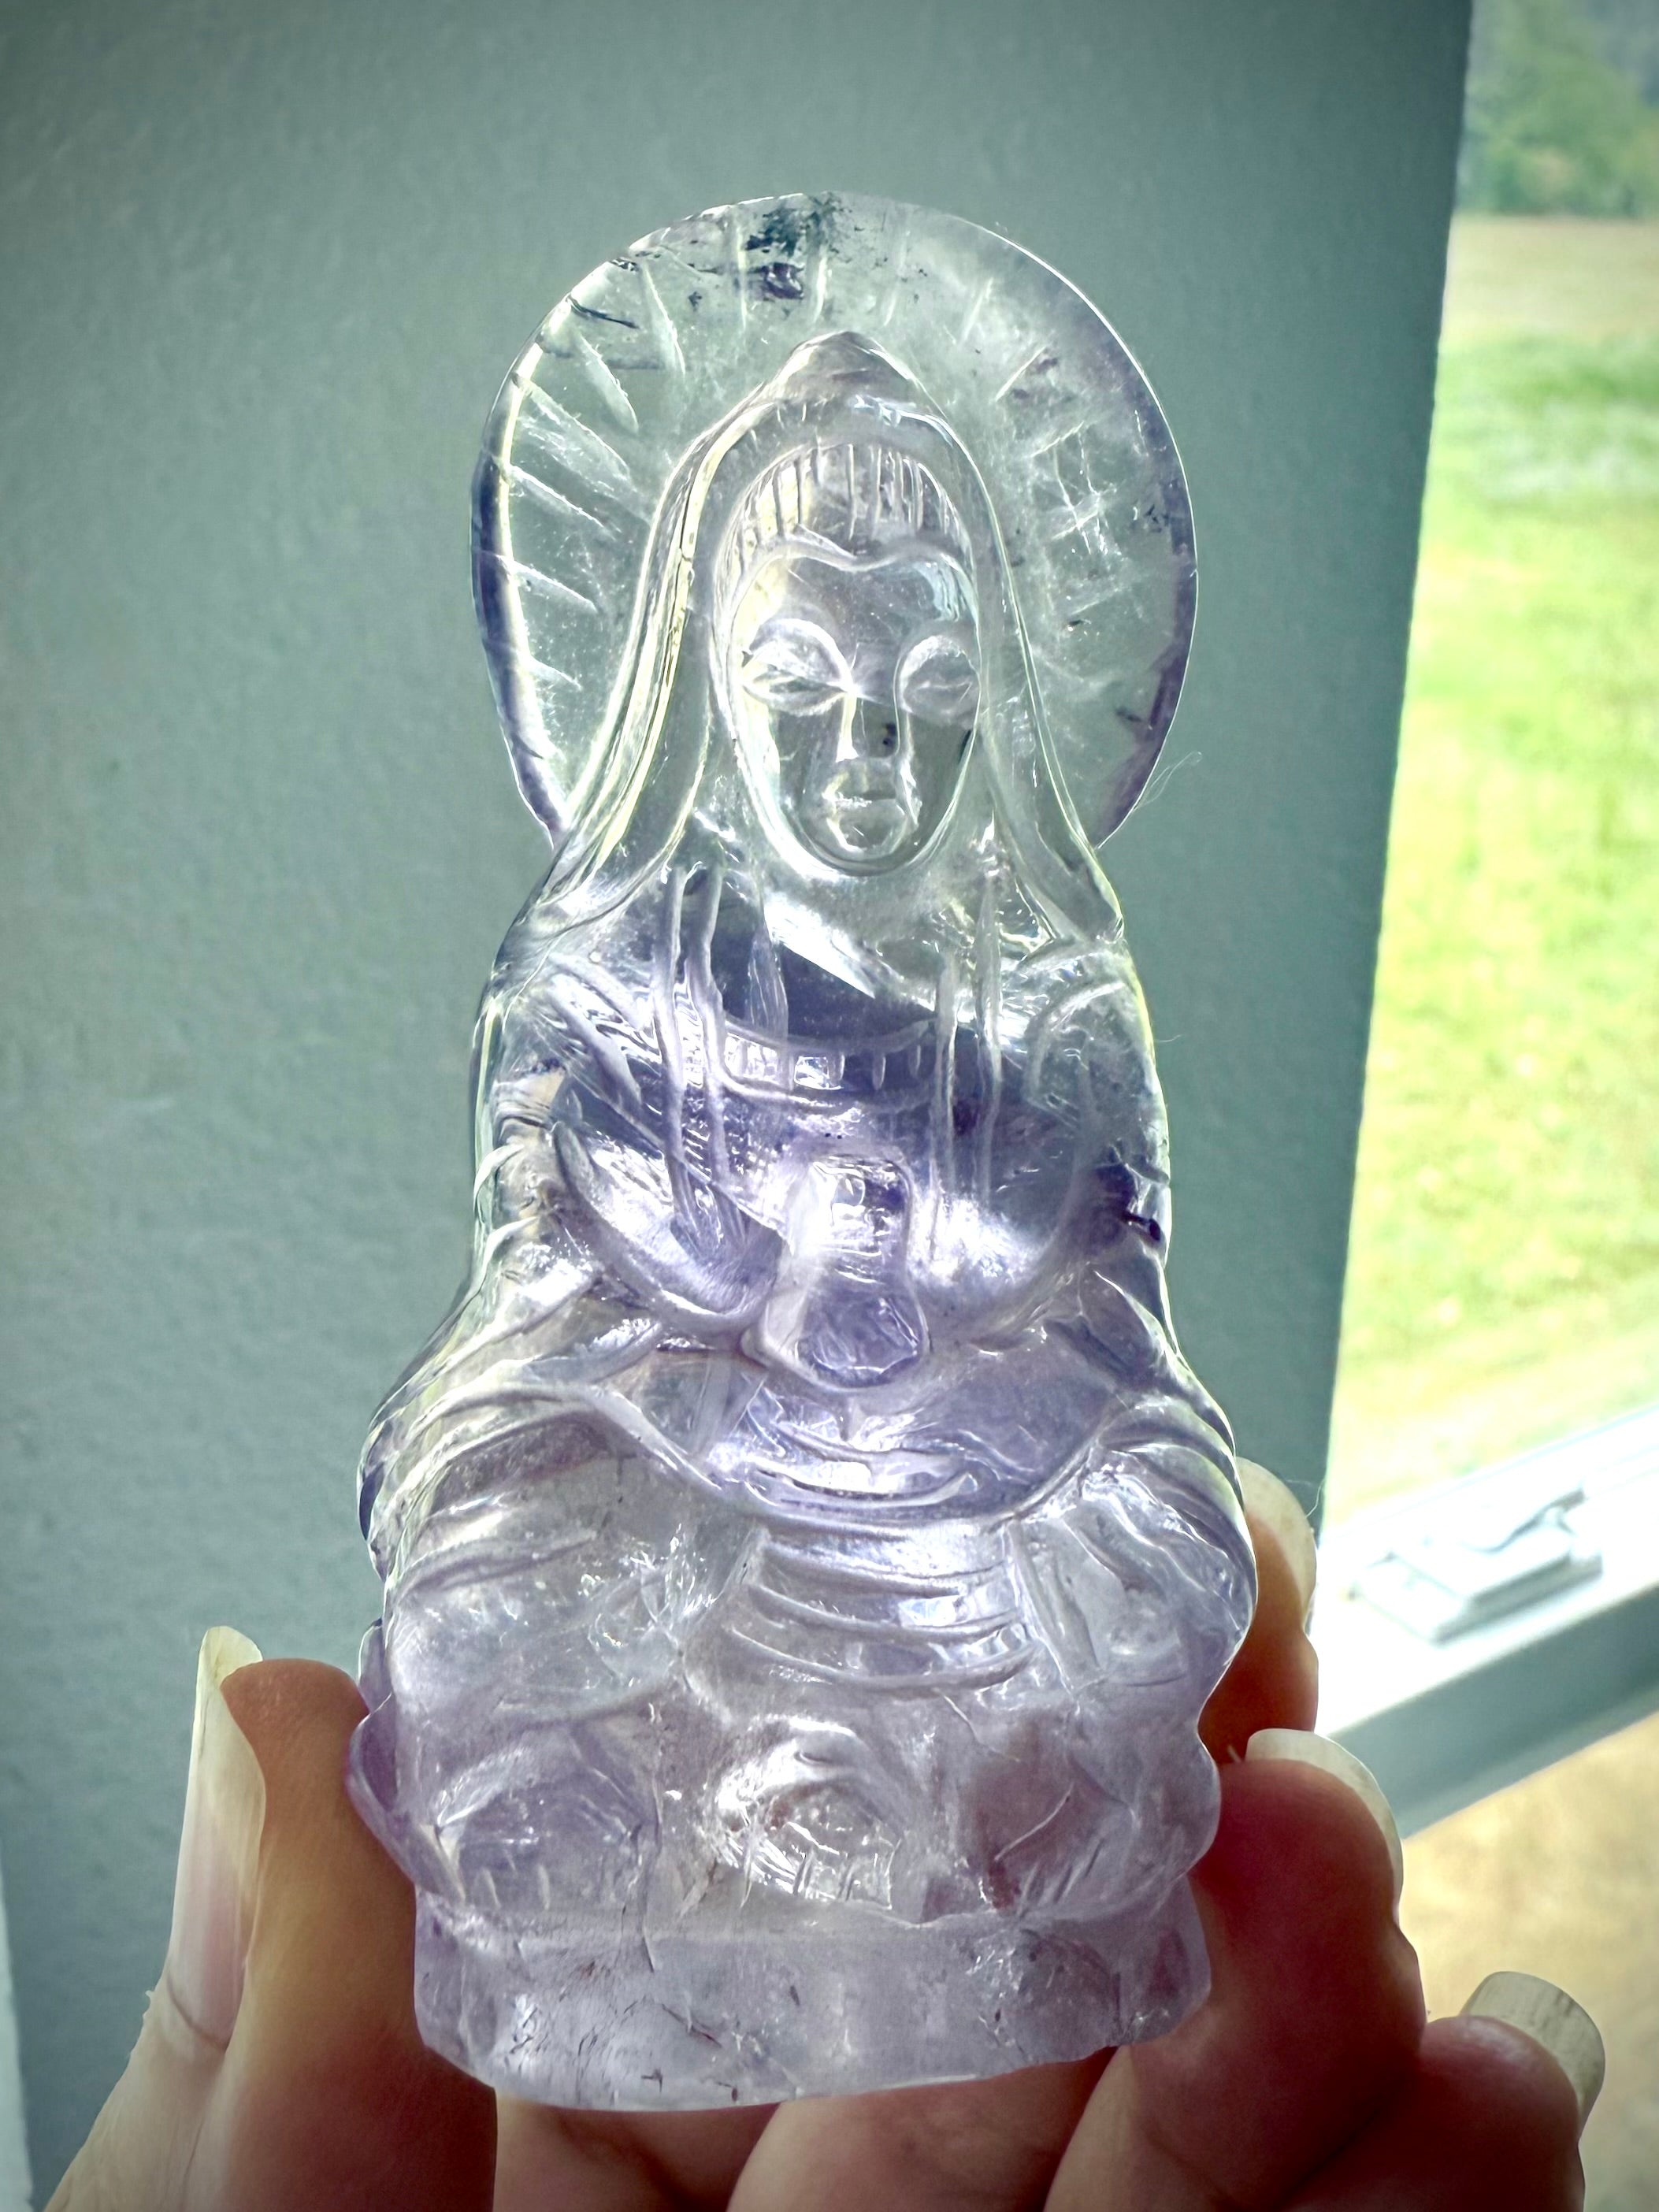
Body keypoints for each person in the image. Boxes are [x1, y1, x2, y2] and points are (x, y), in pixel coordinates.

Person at [50, 1460, 1602, 2209]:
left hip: (948, 1711)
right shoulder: (605, 1041)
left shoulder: (1020, 1037)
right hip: (646, 1778)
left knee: (1142, 1609)